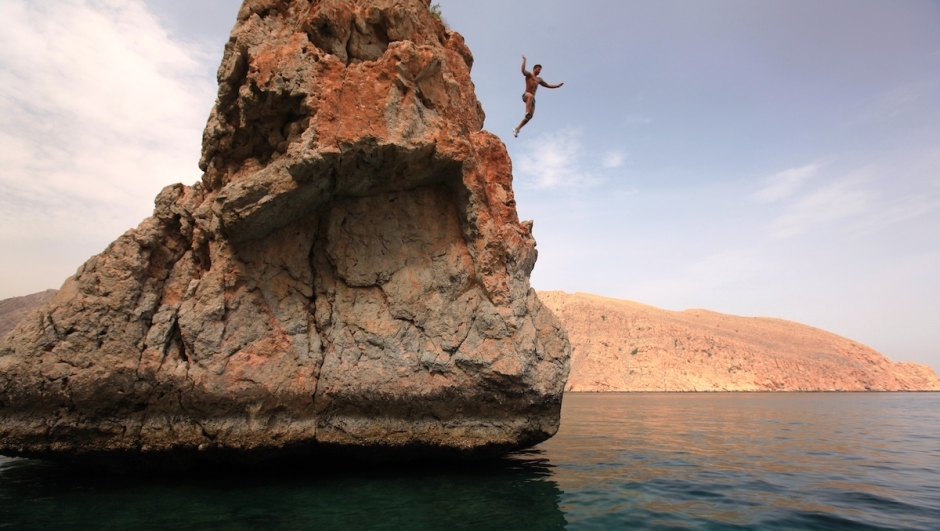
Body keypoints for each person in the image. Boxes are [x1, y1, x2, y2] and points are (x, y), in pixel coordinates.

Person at [513, 55, 564, 137]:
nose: (539, 71)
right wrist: (524, 60)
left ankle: (517, 128)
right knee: (530, 96)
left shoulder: (539, 79)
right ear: (534, 69)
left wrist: (557, 86)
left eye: (540, 70)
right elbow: (523, 71)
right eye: (538, 69)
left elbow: (547, 85)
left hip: (532, 98)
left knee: (530, 116)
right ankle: (526, 112)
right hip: (526, 95)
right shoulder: (529, 75)